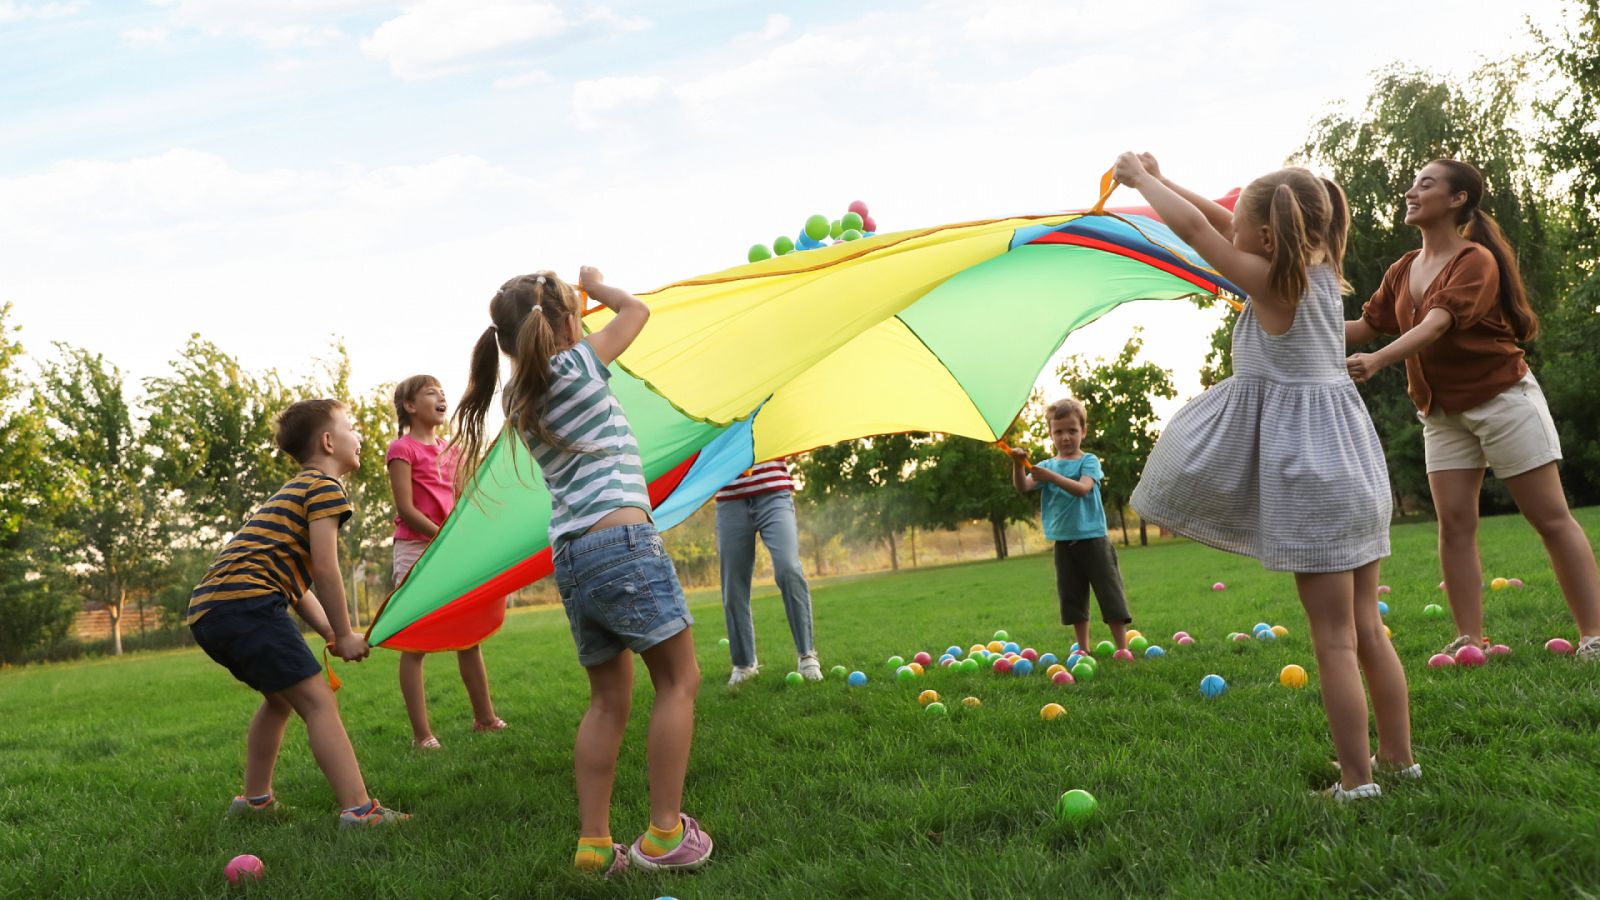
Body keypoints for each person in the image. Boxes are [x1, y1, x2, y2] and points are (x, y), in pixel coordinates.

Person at [1116, 153, 1415, 802]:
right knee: (1367, 629)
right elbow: (1221, 221)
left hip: (1317, 480)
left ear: (1269, 239)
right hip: (1357, 469)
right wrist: (1163, 179)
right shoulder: (1321, 271)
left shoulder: (1275, 287)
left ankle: (1358, 782)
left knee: (1333, 640)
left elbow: (1198, 232)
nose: (1231, 236)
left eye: (1243, 232)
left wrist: (1140, 184)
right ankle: (1398, 759)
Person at [451, 268, 711, 874]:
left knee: (606, 702)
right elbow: (638, 312)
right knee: (679, 681)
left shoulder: (520, 396)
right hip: (621, 540)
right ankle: (666, 835)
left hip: (571, 558)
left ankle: (595, 846)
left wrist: (571, 309)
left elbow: (559, 341)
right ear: (567, 324)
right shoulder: (577, 365)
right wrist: (602, 286)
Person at [1346, 159, 1600, 662]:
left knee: (1549, 517)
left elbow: (1438, 323)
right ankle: (1469, 637)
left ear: (1457, 199)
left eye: (1425, 183)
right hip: (1440, 412)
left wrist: (1378, 361)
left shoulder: (1474, 259)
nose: (1411, 191)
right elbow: (1362, 326)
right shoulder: (1401, 269)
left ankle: (1595, 635)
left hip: (1501, 398)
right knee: (1455, 524)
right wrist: (1288, 320)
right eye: (1413, 183)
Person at [186, 398, 409, 828]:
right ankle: (361, 812)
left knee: (278, 699)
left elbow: (295, 584)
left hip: (211, 610)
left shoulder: (292, 491)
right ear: (328, 441)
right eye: (351, 426)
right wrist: (344, 634)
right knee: (318, 701)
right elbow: (325, 568)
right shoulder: (325, 488)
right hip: (247, 603)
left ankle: (254, 802)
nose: (358, 435)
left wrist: (327, 629)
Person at [386, 374, 507, 750]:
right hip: (417, 550)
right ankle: (422, 736)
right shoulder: (401, 449)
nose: (441, 396)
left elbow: (460, 498)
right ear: (410, 406)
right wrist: (442, 538)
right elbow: (405, 507)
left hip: (449, 548)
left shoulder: (451, 449)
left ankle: (484, 719)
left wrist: (466, 536)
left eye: (442, 392)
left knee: (468, 637)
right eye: (430, 392)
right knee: (416, 643)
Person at [1009, 398, 1133, 654]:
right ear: (1050, 434)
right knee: (1073, 599)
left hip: (1093, 540)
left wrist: (1051, 477)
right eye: (1059, 432)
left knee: (1110, 595)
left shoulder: (1089, 461)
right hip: (1064, 543)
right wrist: (1017, 464)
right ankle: (1083, 649)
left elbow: (1082, 489)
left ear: (1083, 431)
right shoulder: (1045, 466)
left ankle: (1122, 648)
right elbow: (1023, 487)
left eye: (1072, 430)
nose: (1065, 437)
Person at [716, 459, 822, 685]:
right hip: (729, 499)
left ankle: (807, 656)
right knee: (733, 584)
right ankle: (744, 664)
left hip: (774, 492)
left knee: (789, 569)